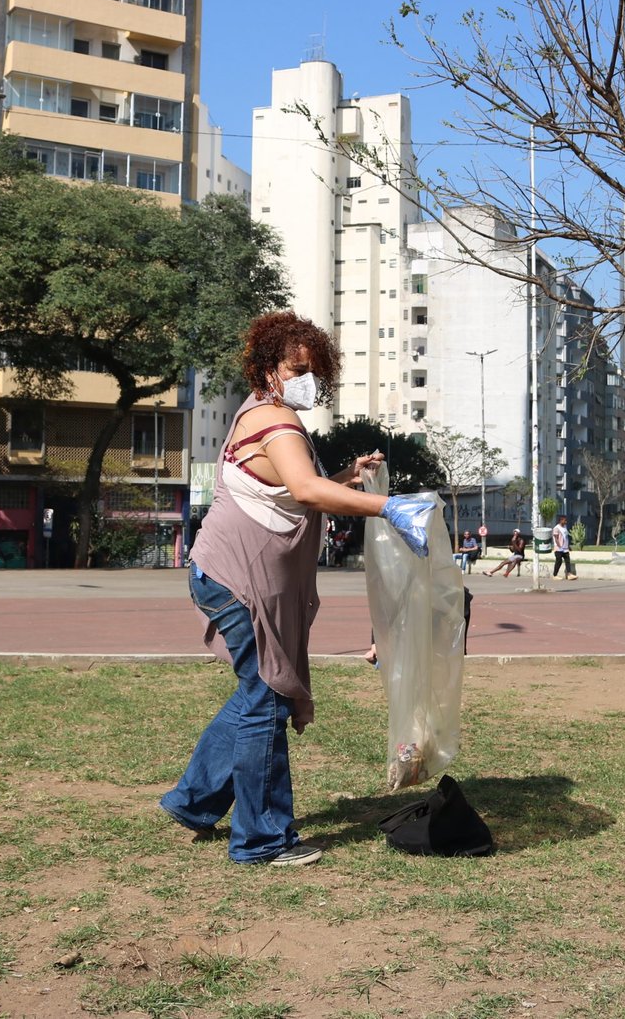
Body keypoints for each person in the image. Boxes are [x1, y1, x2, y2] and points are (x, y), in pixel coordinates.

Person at [161, 311, 434, 867]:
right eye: (296, 370)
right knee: (267, 699)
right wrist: (388, 506)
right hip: (239, 581)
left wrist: (347, 479)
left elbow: (290, 489)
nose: (307, 381)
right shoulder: (276, 420)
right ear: (268, 368)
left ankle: (194, 800)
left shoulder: (262, 412)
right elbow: (305, 492)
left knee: (257, 694)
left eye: (313, 371)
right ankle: (261, 840)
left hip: (232, 576)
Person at [551, 514, 578, 580]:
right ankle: (555, 575)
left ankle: (569, 574)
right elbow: (556, 538)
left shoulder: (565, 527)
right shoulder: (556, 528)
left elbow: (566, 538)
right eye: (564, 520)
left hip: (565, 548)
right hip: (558, 548)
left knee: (567, 561)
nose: (566, 521)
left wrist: (568, 546)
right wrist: (559, 546)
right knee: (559, 561)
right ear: (561, 520)